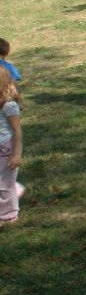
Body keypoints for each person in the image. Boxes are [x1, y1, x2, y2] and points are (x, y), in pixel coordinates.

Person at [0, 65, 24, 226]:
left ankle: (9, 214)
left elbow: (17, 132)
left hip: (5, 148)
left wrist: (16, 154)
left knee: (4, 183)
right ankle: (17, 188)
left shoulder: (8, 105)